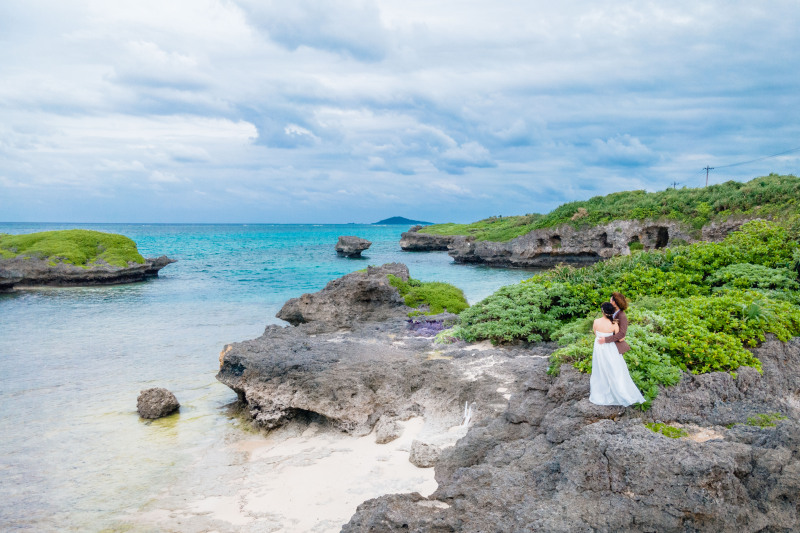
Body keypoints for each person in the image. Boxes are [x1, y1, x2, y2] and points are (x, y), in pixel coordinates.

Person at [589, 301, 645, 406]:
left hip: (599, 347)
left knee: (600, 368)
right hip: (610, 347)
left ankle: (603, 392)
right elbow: (621, 338)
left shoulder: (596, 321)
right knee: (615, 368)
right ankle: (618, 390)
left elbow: (595, 333)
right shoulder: (614, 324)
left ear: (602, 311)